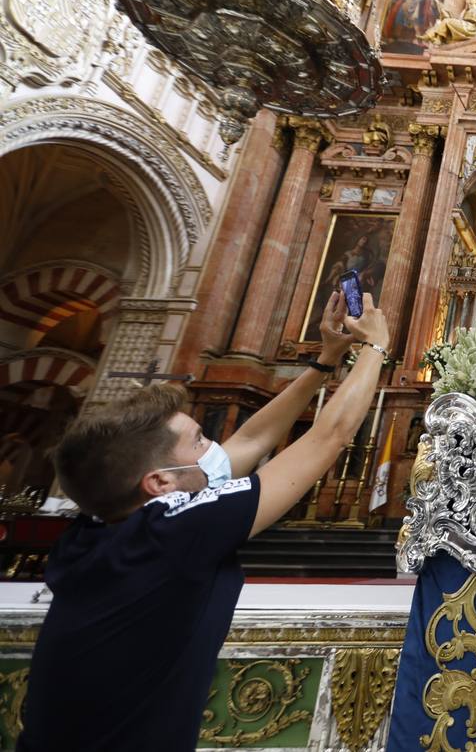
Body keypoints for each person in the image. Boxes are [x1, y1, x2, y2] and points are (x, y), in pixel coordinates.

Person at [18, 292, 390, 752]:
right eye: (199, 441)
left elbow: (251, 442)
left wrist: (326, 360)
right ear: (158, 482)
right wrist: (375, 348)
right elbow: (329, 437)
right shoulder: (172, 533)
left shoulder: (98, 529)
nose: (213, 448)